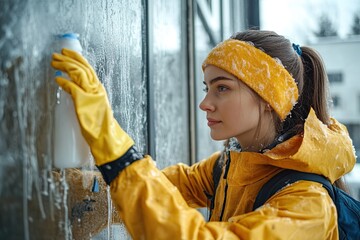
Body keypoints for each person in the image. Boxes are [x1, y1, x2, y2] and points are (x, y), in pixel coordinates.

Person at [51, 30, 356, 239]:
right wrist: (61, 189)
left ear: (268, 99)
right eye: (207, 88)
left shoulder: (309, 205)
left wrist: (111, 141)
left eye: (222, 88)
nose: (204, 104)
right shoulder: (227, 168)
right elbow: (160, 189)